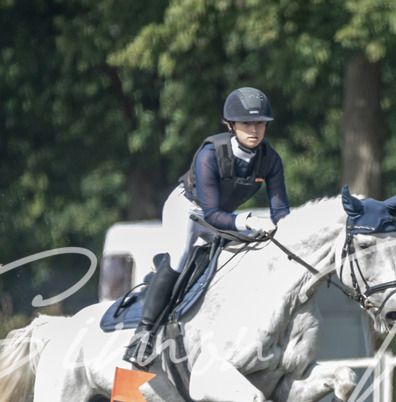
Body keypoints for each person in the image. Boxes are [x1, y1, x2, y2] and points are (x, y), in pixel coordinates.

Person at [125, 86, 291, 366]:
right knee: (180, 257)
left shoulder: (270, 160)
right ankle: (143, 335)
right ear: (230, 125)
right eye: (246, 123)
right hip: (187, 209)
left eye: (260, 123)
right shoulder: (211, 154)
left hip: (222, 217)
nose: (254, 130)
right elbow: (211, 214)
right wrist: (247, 221)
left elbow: (281, 213)